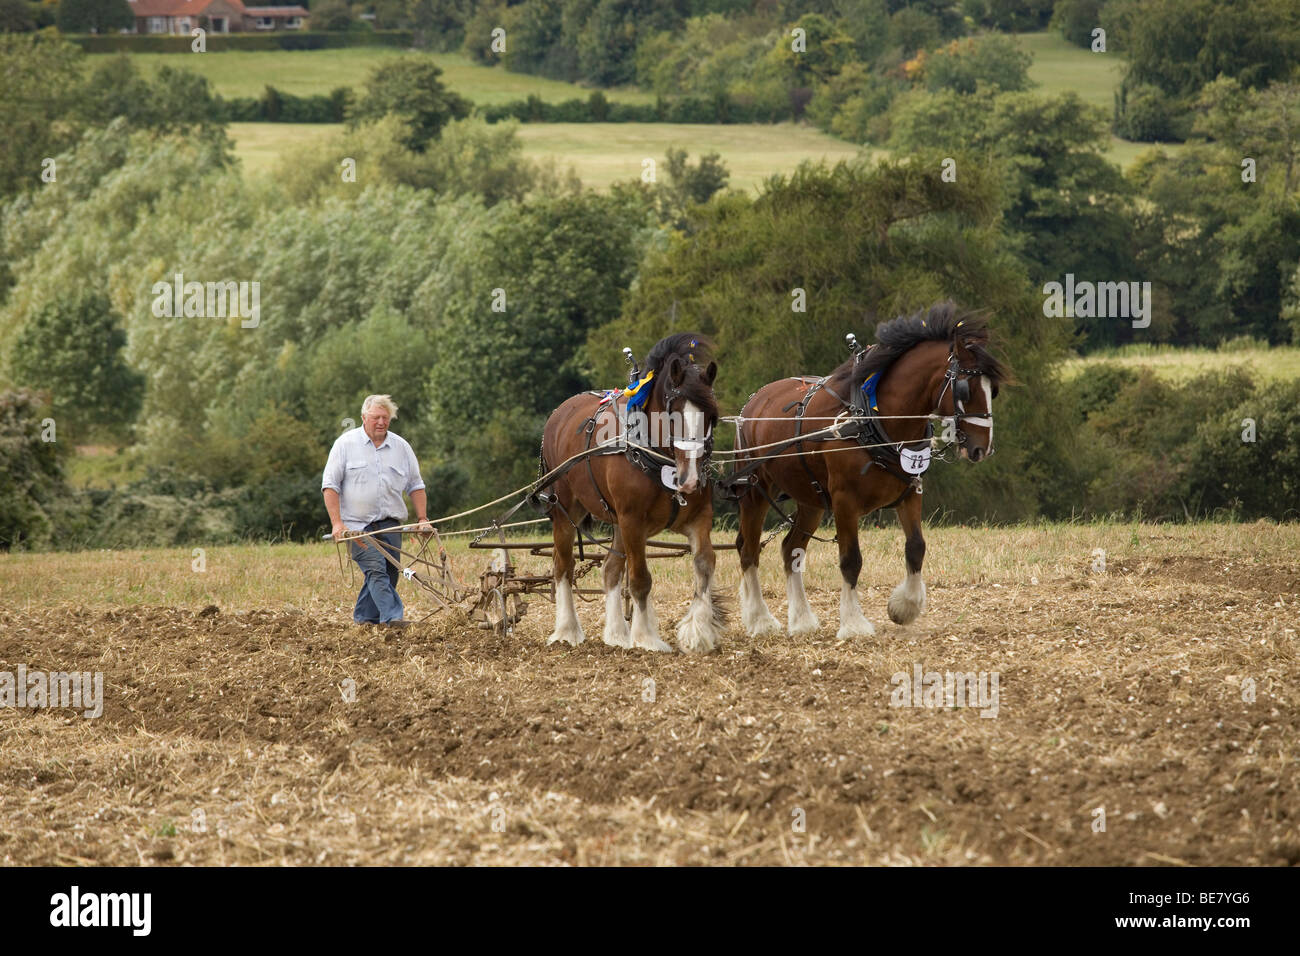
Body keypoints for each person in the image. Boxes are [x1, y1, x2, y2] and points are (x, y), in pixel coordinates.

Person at [322, 395, 432, 628]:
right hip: (356, 527)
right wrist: (337, 524)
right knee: (376, 569)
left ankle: (364, 620)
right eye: (376, 417)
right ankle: (394, 619)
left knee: (390, 573)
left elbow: (416, 485)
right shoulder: (345, 444)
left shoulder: (402, 447)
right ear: (364, 417)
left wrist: (422, 519)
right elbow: (330, 486)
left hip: (391, 524)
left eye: (386, 417)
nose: (381, 422)